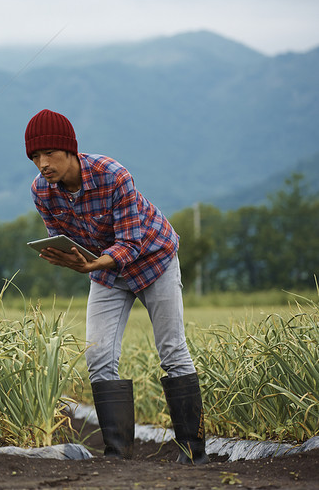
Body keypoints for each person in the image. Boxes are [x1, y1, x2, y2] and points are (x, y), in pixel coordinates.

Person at [24, 109, 208, 465]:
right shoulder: (42, 192)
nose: (42, 164)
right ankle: (118, 456)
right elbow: (65, 241)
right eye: (34, 157)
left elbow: (130, 243)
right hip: (107, 272)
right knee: (98, 356)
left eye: (48, 154)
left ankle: (193, 452)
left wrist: (92, 263)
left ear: (70, 150)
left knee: (171, 349)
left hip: (154, 259)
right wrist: (71, 258)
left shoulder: (112, 175)